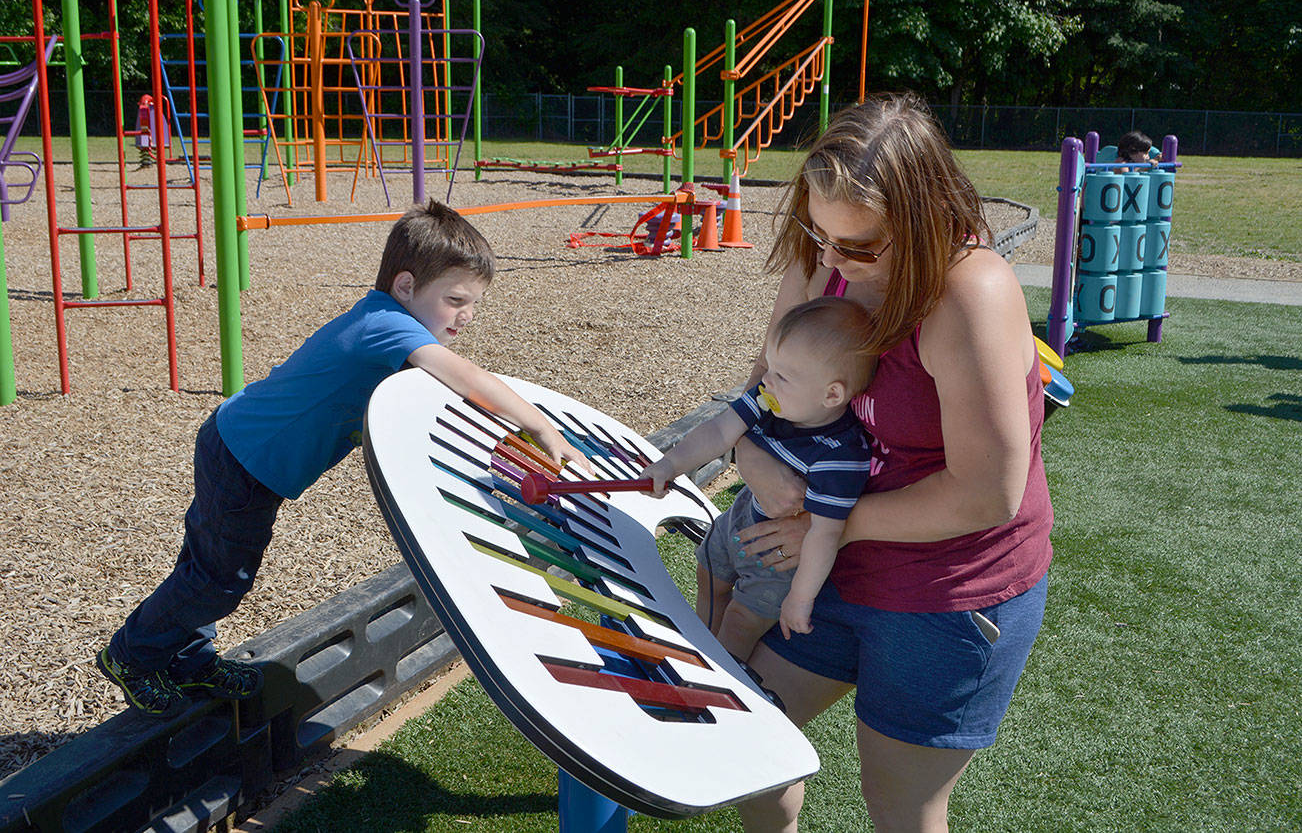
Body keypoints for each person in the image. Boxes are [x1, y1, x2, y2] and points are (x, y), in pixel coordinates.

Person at [96, 200, 589, 717]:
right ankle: (133, 654)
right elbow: (465, 377)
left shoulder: (388, 325)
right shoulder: (387, 325)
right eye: (455, 299)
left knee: (210, 566)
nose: (467, 315)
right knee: (220, 579)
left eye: (474, 303)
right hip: (245, 456)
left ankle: (189, 659)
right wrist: (539, 425)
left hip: (242, 446)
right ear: (405, 287)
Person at [721, 94, 1054, 832]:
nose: (831, 261)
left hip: (953, 588)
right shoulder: (829, 252)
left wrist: (825, 527)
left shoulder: (969, 294)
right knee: (749, 745)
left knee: (900, 804)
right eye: (819, 232)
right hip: (838, 557)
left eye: (860, 247)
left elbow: (988, 495)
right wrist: (747, 451)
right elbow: (765, 384)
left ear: (927, 215)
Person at [642, 296, 876, 661]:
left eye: (782, 375)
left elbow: (825, 533)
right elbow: (720, 431)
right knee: (709, 577)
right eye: (770, 366)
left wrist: (800, 598)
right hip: (739, 518)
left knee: (739, 622)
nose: (766, 379)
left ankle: (714, 681)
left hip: (779, 558)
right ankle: (701, 650)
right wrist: (669, 464)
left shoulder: (840, 457)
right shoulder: (770, 400)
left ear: (832, 394)